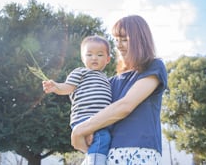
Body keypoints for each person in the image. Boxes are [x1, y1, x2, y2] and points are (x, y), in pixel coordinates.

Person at [71, 15, 168, 164]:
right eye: (116, 39)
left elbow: (125, 106)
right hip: (106, 155)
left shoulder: (153, 67)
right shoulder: (110, 82)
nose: (118, 45)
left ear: (140, 39)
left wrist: (80, 130)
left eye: (124, 39)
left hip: (139, 152)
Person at [42, 35, 112, 165]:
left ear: (108, 59)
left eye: (100, 55)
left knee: (100, 142)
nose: (94, 58)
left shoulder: (107, 80)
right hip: (84, 117)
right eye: (89, 54)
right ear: (83, 58)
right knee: (102, 138)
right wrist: (56, 86)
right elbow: (67, 87)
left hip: (100, 121)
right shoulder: (80, 72)